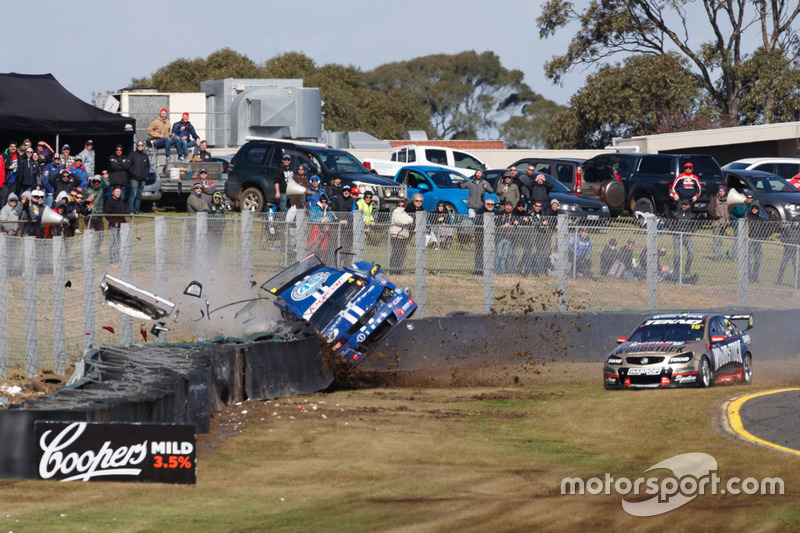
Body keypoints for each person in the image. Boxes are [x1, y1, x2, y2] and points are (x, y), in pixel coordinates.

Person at [669, 199, 697, 278]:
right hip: (677, 236)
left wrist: (692, 231)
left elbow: (695, 224)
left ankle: (687, 269)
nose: (684, 206)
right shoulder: (676, 214)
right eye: (682, 204)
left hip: (687, 236)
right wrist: (674, 231)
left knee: (691, 253)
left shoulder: (691, 215)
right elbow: (670, 223)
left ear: (688, 206)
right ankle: (676, 270)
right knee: (677, 254)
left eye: (685, 204)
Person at [388, 199, 414, 274]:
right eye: (399, 205)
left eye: (402, 206)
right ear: (397, 206)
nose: (401, 207)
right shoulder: (395, 212)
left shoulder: (404, 213)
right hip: (396, 235)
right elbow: (399, 221)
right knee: (396, 253)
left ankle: (399, 269)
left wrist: (405, 221)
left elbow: (411, 219)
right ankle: (393, 270)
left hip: (403, 236)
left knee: (402, 253)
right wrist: (405, 222)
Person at [472, 198, 496, 275]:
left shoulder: (495, 213)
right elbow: (478, 222)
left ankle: (487, 270)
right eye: (488, 204)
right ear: (485, 204)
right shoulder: (480, 212)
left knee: (489, 254)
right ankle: (478, 269)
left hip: (491, 237)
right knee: (479, 253)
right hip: (480, 236)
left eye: (492, 204)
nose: (490, 206)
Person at [308, 196, 334, 263]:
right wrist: (321, 220)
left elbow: (331, 219)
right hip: (316, 229)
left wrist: (327, 220)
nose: (324, 203)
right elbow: (311, 219)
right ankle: (310, 261)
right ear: (320, 202)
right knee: (313, 246)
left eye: (325, 202)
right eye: (322, 202)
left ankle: (321, 261)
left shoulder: (328, 209)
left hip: (326, 230)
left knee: (323, 247)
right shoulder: (315, 208)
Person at [746, 202, 768, 283]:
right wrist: (747, 238)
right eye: (753, 208)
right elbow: (744, 229)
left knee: (759, 260)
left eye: (756, 208)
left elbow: (766, 227)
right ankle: (749, 277)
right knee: (750, 260)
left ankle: (755, 276)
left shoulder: (760, 219)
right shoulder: (748, 218)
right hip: (750, 241)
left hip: (758, 241)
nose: (754, 209)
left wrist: (764, 237)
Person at [104, 185, 127, 264]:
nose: (118, 193)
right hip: (113, 226)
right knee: (113, 243)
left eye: (119, 192)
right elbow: (107, 214)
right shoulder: (109, 202)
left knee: (118, 244)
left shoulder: (121, 202)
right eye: (116, 192)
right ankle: (111, 260)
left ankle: (116, 259)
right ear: (113, 192)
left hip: (121, 226)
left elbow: (123, 214)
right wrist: (114, 222)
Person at [708, 185, 730, 261]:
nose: (721, 192)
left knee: (720, 240)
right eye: (720, 191)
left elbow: (730, 210)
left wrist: (729, 218)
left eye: (722, 191)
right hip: (717, 223)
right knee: (716, 240)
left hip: (725, 223)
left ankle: (720, 255)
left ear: (725, 192)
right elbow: (710, 210)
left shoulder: (728, 200)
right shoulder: (715, 199)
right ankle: (716, 256)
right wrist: (716, 217)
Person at [128, 140, 150, 214]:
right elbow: (129, 166)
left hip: (142, 179)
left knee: (139, 196)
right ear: (136, 146)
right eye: (139, 145)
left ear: (143, 146)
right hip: (134, 179)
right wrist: (134, 174)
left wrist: (145, 175)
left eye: (141, 145)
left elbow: (148, 167)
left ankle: (137, 211)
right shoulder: (132, 155)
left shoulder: (145, 156)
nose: (140, 146)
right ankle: (130, 210)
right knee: (133, 195)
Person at [494, 201, 516, 274]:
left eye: (510, 206)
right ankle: (495, 270)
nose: (508, 207)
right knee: (498, 255)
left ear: (512, 207)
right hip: (500, 237)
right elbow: (496, 222)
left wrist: (516, 222)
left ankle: (501, 271)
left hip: (509, 237)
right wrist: (503, 224)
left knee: (505, 256)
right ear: (504, 206)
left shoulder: (513, 215)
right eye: (507, 205)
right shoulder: (500, 213)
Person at [777, 217, 800, 285]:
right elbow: (782, 237)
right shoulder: (788, 228)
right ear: (793, 222)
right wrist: (786, 245)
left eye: (797, 222)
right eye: (795, 221)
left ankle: (797, 283)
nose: (796, 223)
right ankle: (779, 281)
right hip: (787, 251)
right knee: (783, 266)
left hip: (795, 251)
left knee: (796, 268)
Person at [2, 142, 19, 207]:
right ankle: (2, 214)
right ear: (9, 147)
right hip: (6, 180)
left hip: (14, 181)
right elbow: (1, 164)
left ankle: (10, 214)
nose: (13, 147)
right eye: (11, 146)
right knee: (4, 198)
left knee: (11, 198)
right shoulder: (4, 155)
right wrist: (8, 166)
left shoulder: (18, 156)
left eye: (14, 146)